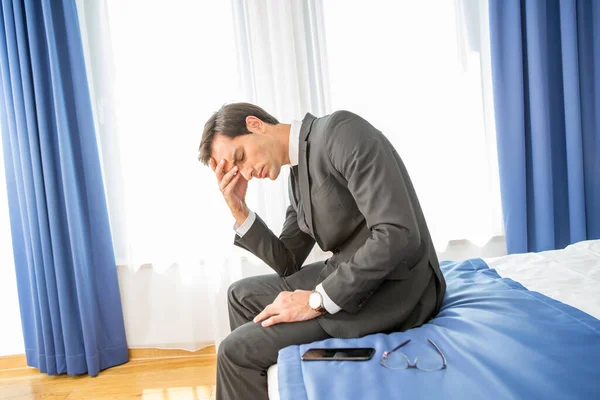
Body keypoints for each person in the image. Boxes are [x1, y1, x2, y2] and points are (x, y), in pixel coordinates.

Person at [198, 103, 446, 400]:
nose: (247, 174)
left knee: (235, 351)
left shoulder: (341, 132)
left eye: (240, 157)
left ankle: (252, 356)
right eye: (236, 170)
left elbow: (397, 233)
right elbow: (287, 262)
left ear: (255, 124)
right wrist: (239, 210)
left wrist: (316, 301)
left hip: (397, 288)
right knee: (240, 295)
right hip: (351, 273)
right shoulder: (297, 177)